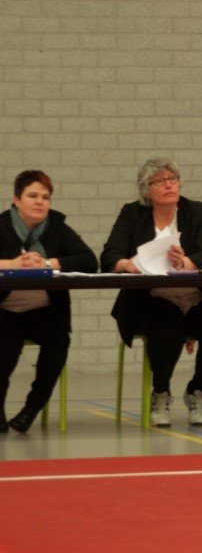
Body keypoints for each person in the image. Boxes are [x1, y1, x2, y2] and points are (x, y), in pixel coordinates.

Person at [100, 157, 202, 427]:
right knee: (165, 330)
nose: (168, 185)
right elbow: (109, 255)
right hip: (154, 297)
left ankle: (199, 390)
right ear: (146, 190)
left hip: (197, 295)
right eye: (160, 181)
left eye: (172, 179)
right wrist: (127, 264)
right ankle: (161, 393)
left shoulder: (197, 211)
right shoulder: (132, 214)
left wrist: (185, 262)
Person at [0, 171, 97, 433]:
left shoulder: (57, 227)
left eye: (45, 197)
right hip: (5, 310)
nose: (39, 202)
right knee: (3, 354)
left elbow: (89, 260)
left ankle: (31, 409)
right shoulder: (3, 226)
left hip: (45, 312)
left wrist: (47, 263)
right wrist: (13, 264)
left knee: (58, 346)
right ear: (17, 200)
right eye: (32, 196)